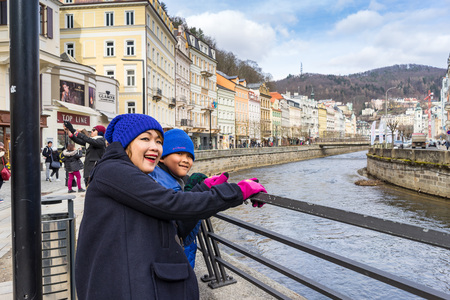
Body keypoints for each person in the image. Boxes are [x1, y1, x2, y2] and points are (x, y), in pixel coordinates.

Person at [75, 113, 267, 300]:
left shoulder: (125, 173)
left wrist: (203, 188)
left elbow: (169, 216)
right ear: (125, 143)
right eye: (145, 139)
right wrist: (238, 191)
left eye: (159, 141)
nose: (155, 147)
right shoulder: (114, 170)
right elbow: (172, 204)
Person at [149, 128, 201, 269]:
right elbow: (183, 233)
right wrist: (196, 195)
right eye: (179, 153)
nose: (185, 160)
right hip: (172, 262)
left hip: (179, 258)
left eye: (190, 156)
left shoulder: (178, 181)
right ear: (162, 157)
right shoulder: (161, 186)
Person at [63, 121, 106, 186]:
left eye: (94, 130)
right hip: (88, 171)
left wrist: (74, 130)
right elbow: (76, 139)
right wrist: (69, 130)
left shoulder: (101, 141)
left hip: (96, 172)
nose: (91, 131)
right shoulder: (91, 141)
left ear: (99, 132)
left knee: (93, 192)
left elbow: (88, 139)